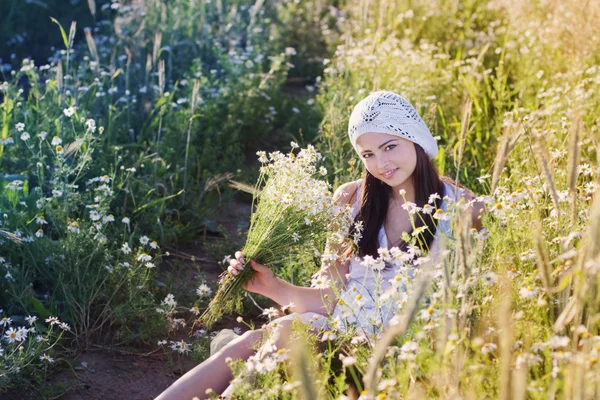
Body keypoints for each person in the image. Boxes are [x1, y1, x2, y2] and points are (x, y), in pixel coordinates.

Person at [155, 90, 485, 400]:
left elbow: (476, 301)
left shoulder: (463, 208)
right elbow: (329, 298)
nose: (381, 164)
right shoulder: (351, 199)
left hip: (399, 352)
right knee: (254, 341)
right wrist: (271, 286)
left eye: (390, 146)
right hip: (337, 334)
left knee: (277, 335)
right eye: (368, 154)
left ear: (414, 138)